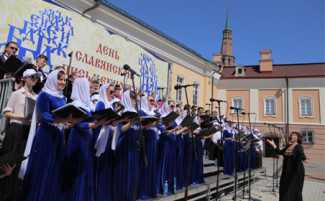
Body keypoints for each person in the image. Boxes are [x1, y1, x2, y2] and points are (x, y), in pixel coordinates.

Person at [20, 70, 81, 201]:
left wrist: (70, 121)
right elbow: (45, 116)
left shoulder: (62, 97)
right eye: (60, 79)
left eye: (64, 80)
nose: (63, 82)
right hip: (46, 136)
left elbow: (61, 118)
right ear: (53, 79)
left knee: (54, 169)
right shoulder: (44, 94)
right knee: (41, 168)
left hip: (57, 136)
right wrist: (63, 119)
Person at [61, 78, 109, 201]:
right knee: (77, 169)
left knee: (85, 168)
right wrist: (99, 123)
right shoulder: (76, 105)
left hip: (87, 139)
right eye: (88, 87)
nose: (90, 90)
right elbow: (79, 125)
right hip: (78, 139)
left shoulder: (86, 105)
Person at [0, 69, 39, 201]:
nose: (35, 79)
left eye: (36, 78)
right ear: (25, 78)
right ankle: (4, 194)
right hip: (15, 129)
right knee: (9, 163)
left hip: (28, 131)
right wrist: (21, 116)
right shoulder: (17, 94)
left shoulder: (36, 97)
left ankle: (15, 195)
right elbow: (6, 112)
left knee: (21, 164)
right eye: (32, 77)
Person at [267, 132, 309, 201]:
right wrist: (273, 145)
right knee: (284, 187)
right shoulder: (288, 146)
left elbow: (301, 154)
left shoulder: (299, 146)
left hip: (295, 171)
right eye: (291, 135)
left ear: (298, 138)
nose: (291, 136)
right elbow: (280, 152)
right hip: (286, 170)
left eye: (294, 135)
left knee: (292, 189)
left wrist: (304, 159)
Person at [113, 90, 139, 201]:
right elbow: (121, 129)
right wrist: (131, 122)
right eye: (132, 98)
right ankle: (121, 196)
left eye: (134, 98)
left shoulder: (134, 111)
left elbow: (136, 128)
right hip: (124, 143)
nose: (134, 101)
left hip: (133, 144)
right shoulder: (121, 111)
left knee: (131, 170)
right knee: (124, 170)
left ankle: (130, 195)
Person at [138, 95, 160, 199]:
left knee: (151, 166)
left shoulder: (154, 113)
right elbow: (140, 128)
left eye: (153, 100)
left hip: (153, 142)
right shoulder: (141, 112)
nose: (153, 102)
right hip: (145, 141)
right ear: (144, 100)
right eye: (150, 100)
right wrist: (150, 125)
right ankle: (142, 191)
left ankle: (150, 190)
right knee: (144, 165)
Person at [156, 100, 180, 195]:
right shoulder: (162, 117)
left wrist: (183, 129)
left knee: (170, 164)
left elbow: (176, 131)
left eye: (173, 107)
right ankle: (161, 186)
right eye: (171, 106)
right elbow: (162, 131)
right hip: (165, 142)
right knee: (164, 163)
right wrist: (172, 128)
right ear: (166, 106)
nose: (172, 108)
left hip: (172, 143)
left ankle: (169, 186)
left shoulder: (173, 119)